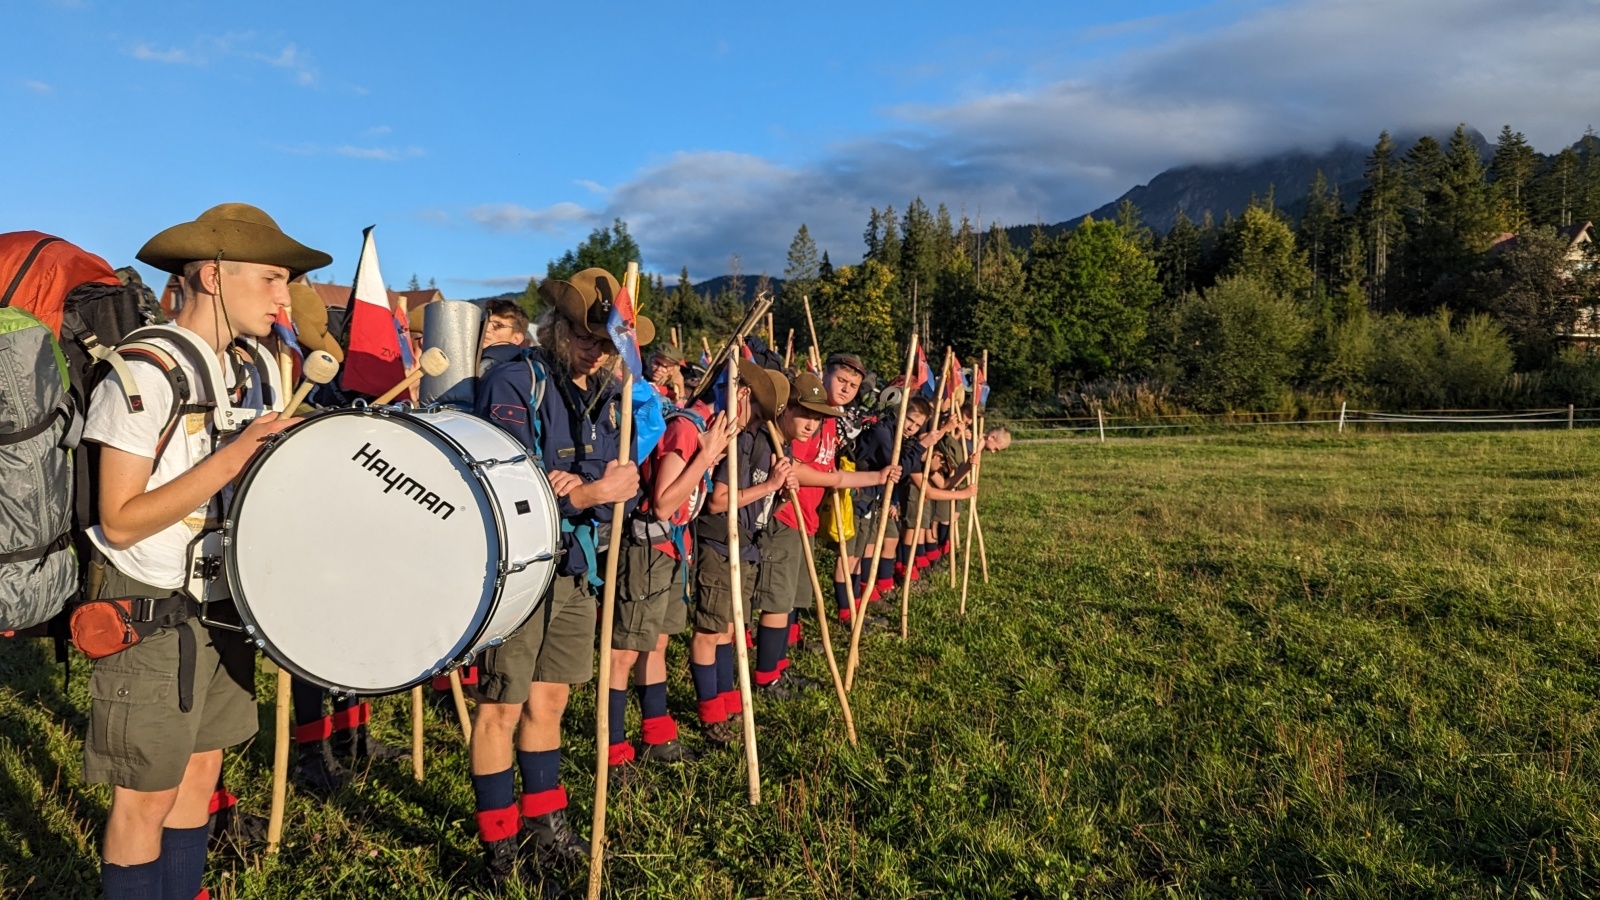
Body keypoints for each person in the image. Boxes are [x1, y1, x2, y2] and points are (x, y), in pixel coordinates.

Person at [84, 203, 327, 899]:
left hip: (221, 602)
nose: (287, 299)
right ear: (215, 276)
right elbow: (121, 521)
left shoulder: (252, 370)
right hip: (149, 608)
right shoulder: (144, 372)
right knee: (144, 798)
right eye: (274, 279)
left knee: (200, 772)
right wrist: (233, 459)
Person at [468, 268, 647, 890]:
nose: (597, 351)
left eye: (606, 341)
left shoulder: (602, 396)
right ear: (557, 328)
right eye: (587, 337)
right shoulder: (516, 380)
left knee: (552, 701)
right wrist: (586, 490)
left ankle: (546, 824)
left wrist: (586, 491)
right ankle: (497, 843)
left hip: (574, 569)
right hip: (521, 572)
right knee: (500, 707)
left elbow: (590, 487)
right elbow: (510, 486)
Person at [604, 364, 737, 779]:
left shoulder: (708, 429)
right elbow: (663, 502)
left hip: (673, 550)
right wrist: (706, 456)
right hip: (647, 550)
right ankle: (613, 749)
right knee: (623, 652)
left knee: (656, 645)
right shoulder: (687, 430)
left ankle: (656, 735)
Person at [688, 361, 794, 737]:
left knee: (731, 630)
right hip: (719, 544)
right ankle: (711, 714)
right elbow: (718, 501)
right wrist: (769, 487)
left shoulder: (766, 443)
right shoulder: (736, 437)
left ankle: (729, 704)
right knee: (711, 631)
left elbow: (759, 509)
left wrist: (780, 494)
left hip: (746, 546)